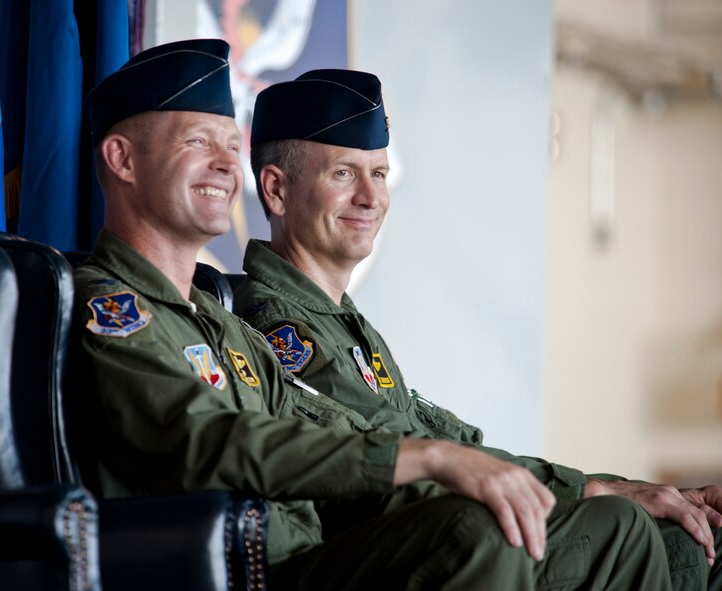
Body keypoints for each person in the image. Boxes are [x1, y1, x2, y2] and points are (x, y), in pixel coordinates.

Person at [74, 39, 674, 590]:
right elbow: (207, 440)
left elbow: (339, 429)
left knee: (616, 529)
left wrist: (505, 474)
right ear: (123, 160)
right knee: (482, 532)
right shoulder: (110, 312)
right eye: (198, 142)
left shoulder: (223, 325)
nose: (229, 165)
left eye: (233, 144)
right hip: (240, 573)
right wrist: (430, 459)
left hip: (302, 556)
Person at [235, 68, 722, 589]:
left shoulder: (344, 323)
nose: (371, 197)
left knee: (694, 538)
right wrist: (591, 494)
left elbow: (449, 440)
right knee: (622, 527)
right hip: (382, 555)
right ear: (277, 190)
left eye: (378, 174)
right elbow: (401, 459)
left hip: (434, 533)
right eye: (343, 174)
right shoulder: (276, 328)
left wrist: (615, 485)